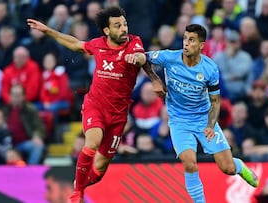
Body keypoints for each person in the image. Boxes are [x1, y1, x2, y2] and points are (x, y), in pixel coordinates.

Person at [27, 6, 165, 203]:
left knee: (99, 170)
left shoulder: (133, 42)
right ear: (107, 31)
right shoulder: (98, 45)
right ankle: (78, 194)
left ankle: (78, 184)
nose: (124, 29)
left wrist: (153, 77)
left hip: (119, 115)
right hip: (95, 106)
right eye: (118, 26)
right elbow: (74, 43)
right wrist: (48, 30)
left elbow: (142, 57)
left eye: (125, 24)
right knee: (91, 144)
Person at [143, 24, 259, 203]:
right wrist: (154, 78)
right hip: (179, 120)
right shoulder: (169, 57)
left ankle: (239, 166)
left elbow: (215, 101)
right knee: (189, 162)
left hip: (203, 119)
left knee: (227, 168)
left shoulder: (210, 68)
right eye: (184, 39)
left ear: (201, 44)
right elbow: (143, 58)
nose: (186, 44)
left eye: (191, 40)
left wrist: (211, 125)